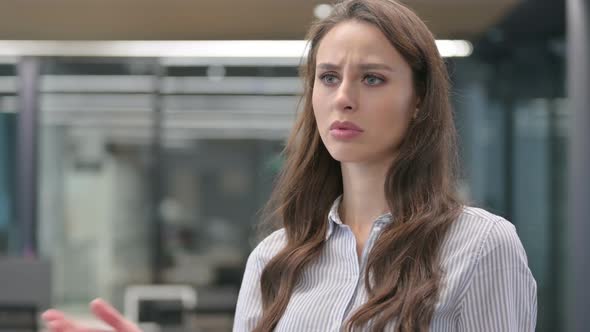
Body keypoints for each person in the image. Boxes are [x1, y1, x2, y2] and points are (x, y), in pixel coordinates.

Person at [41, 0, 537, 331]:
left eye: (372, 79)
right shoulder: (275, 260)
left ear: (419, 99)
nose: (343, 97)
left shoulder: (480, 247)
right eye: (328, 77)